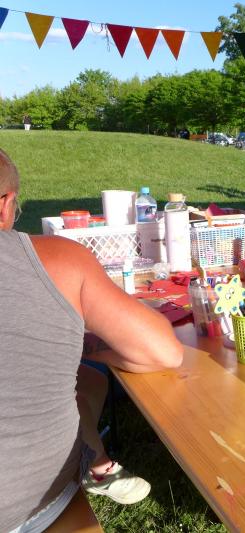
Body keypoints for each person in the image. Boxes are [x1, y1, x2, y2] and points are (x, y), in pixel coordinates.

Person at [0, 148, 183, 531]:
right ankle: (94, 464)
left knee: (89, 380)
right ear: (5, 205)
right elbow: (164, 352)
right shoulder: (60, 259)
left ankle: (94, 460)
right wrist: (94, 346)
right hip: (38, 506)